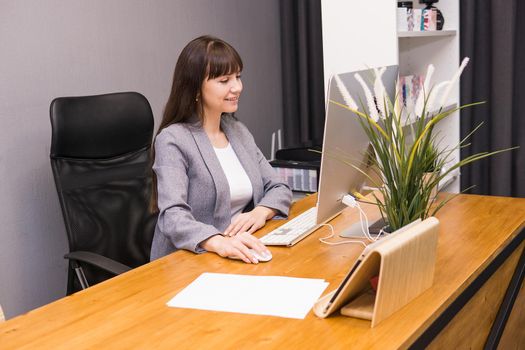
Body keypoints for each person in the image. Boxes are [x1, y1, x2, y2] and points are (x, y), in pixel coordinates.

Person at [150, 35, 292, 263]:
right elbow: (172, 217)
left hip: (238, 252)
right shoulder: (173, 140)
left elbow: (279, 186)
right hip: (189, 261)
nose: (237, 87)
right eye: (224, 80)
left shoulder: (238, 131)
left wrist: (261, 211)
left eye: (238, 77)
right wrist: (219, 242)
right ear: (196, 88)